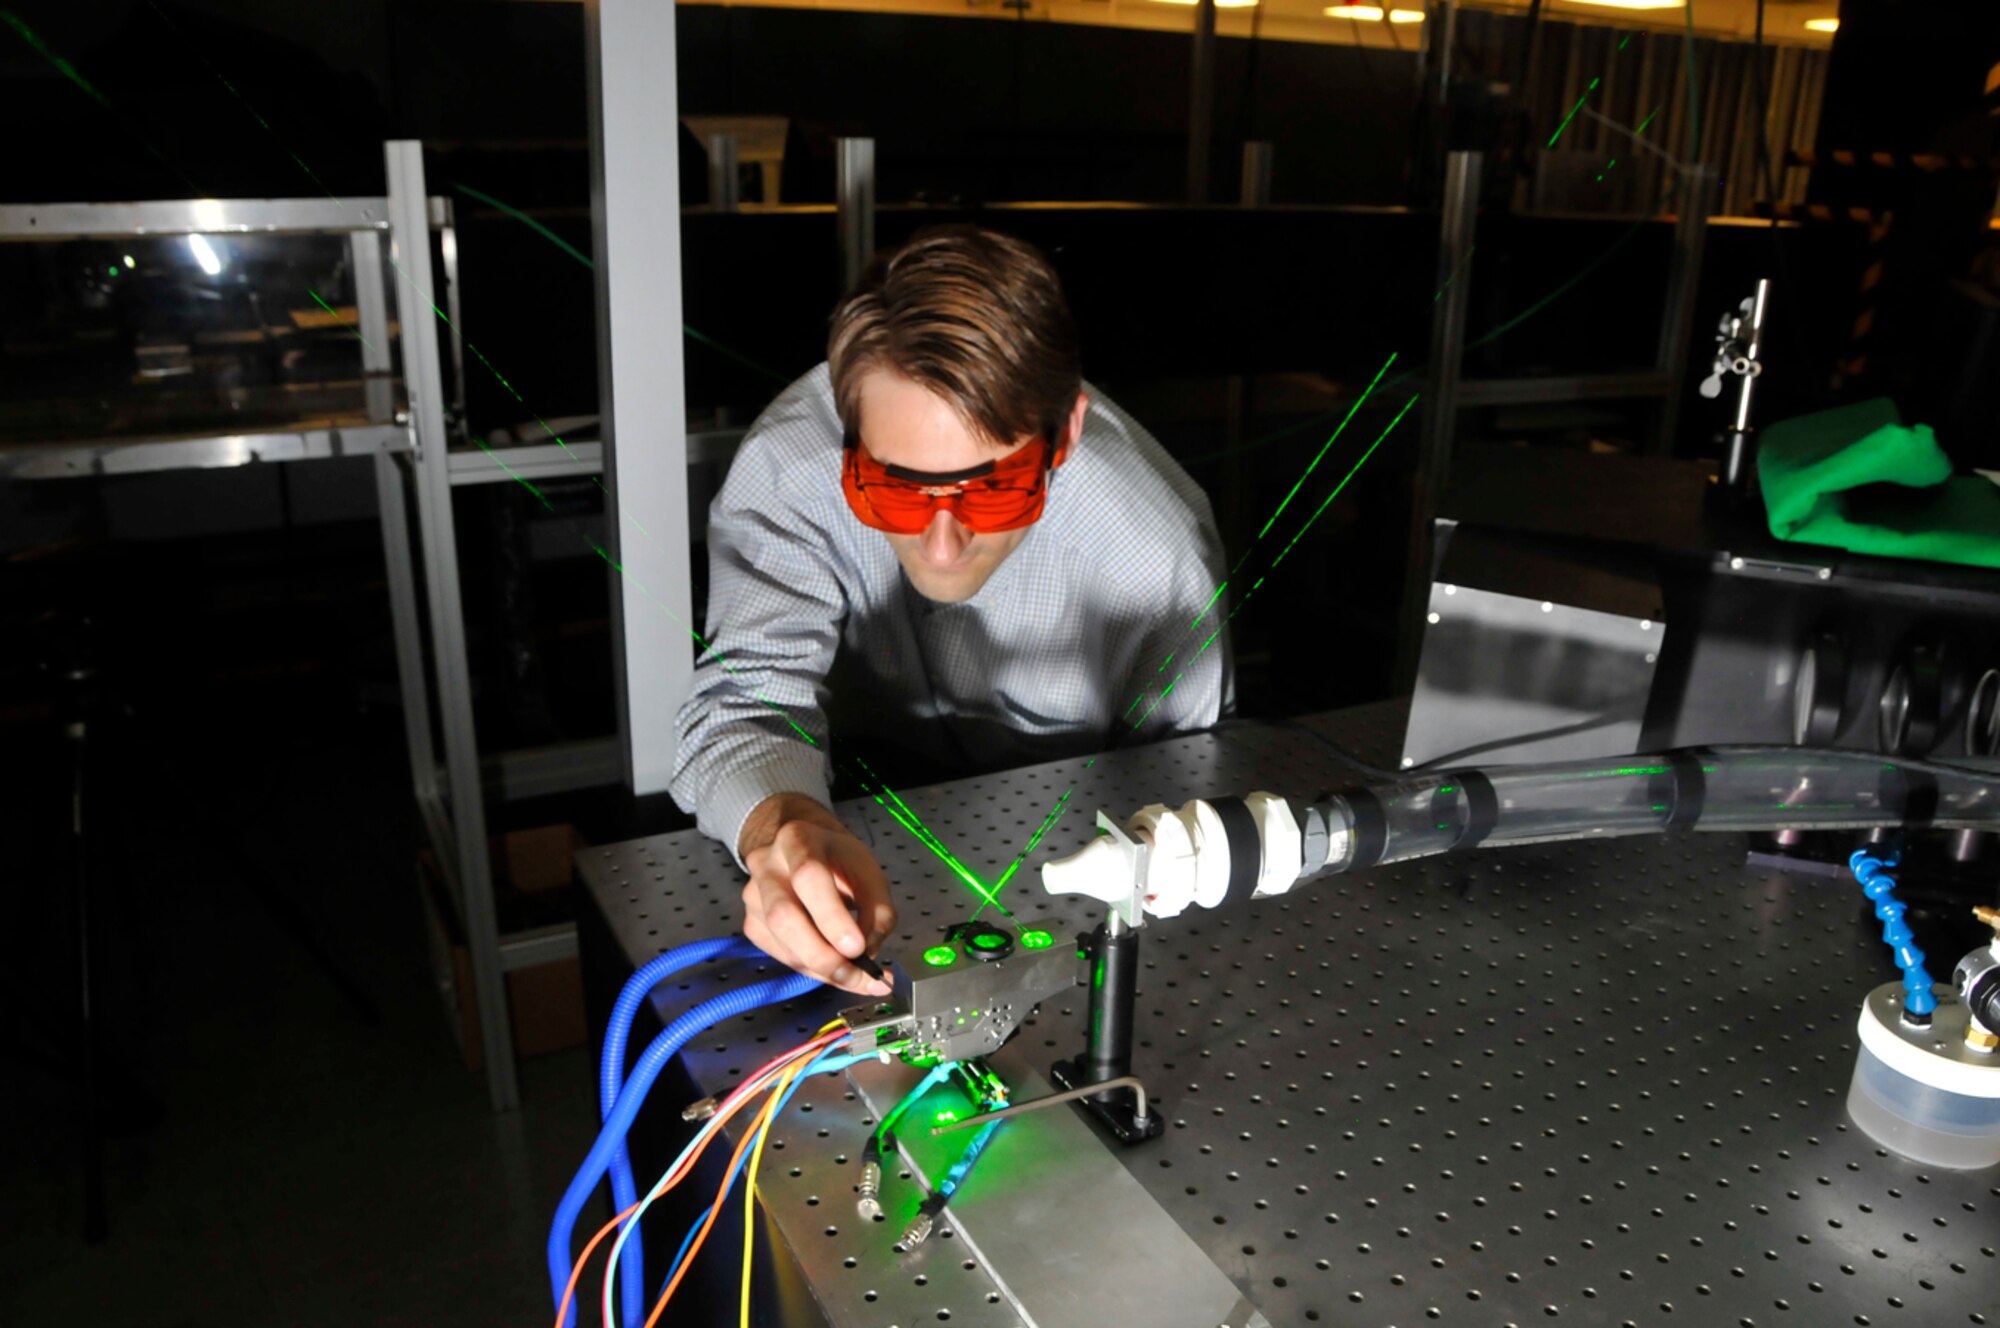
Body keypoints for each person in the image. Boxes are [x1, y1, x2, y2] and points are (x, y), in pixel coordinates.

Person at [669, 226, 1231, 996]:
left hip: (1082, 824)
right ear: (850, 436)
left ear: (1062, 432)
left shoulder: (1153, 554)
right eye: (896, 489)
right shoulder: (790, 472)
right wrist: (784, 829)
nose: (941, 545)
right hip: (848, 791)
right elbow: (744, 703)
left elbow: (1181, 802)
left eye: (992, 489)